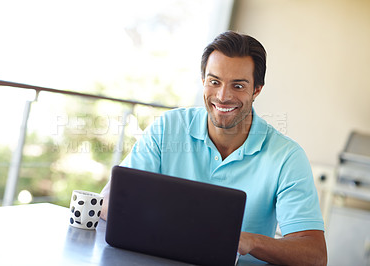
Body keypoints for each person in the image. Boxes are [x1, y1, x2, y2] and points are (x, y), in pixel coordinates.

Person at [100, 31, 327, 265]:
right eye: (214, 81)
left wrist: (249, 241)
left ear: (257, 90)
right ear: (203, 81)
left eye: (238, 86)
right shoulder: (168, 127)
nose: (222, 96)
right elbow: (109, 201)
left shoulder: (287, 157)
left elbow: (315, 256)